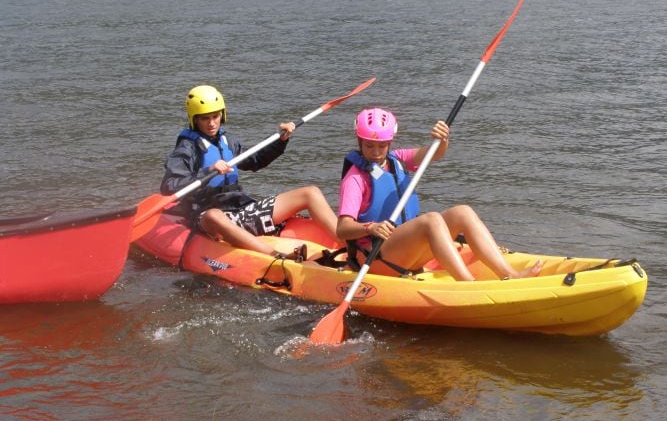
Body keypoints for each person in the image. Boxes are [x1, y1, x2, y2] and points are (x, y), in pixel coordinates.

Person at [337, 107, 542, 281]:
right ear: (359, 141)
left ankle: (509, 274)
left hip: (405, 252)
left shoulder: (396, 159)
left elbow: (434, 153)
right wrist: (371, 227)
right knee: (431, 220)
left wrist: (441, 139)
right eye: (369, 145)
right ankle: (468, 285)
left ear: (390, 141)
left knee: (462, 212)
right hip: (375, 257)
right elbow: (343, 229)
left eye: (381, 145)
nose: (375, 152)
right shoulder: (355, 178)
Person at [160, 84, 339, 258]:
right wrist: (208, 171)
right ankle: (276, 257)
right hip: (206, 214)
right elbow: (169, 186)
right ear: (194, 119)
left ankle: (353, 244)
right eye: (205, 118)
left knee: (310, 193)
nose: (212, 123)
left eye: (215, 116)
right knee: (214, 215)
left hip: (240, 210)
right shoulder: (187, 148)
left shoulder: (227, 140)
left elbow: (255, 161)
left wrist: (281, 140)